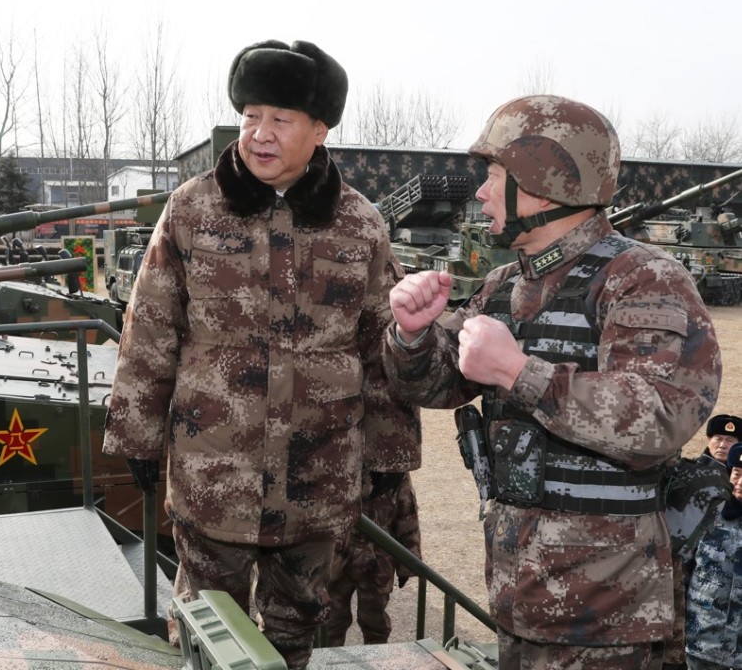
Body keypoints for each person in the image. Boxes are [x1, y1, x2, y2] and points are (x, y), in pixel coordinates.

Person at [101, 39, 420, 668]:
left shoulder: (360, 224)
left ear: (321, 128)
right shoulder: (192, 208)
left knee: (299, 634)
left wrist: (388, 455)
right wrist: (135, 434)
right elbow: (152, 326)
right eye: (250, 116)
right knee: (203, 633)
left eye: (281, 119)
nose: (259, 133)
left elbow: (381, 344)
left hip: (317, 481)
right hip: (214, 476)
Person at [382, 94, 722, 669]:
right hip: (521, 593)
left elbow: (663, 416)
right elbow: (435, 385)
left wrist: (520, 373)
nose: (482, 193)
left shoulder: (642, 280)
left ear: (545, 183)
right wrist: (413, 336)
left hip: (610, 617)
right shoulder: (504, 284)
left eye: (493, 176)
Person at [326, 469, 420, 646]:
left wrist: (408, 562)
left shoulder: (393, 467)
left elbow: (406, 512)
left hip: (377, 561)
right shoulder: (334, 456)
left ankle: (376, 661)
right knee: (331, 621)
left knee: (376, 624)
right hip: (337, 558)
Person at [685, 441, 742, 670]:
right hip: (702, 645)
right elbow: (681, 573)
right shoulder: (707, 516)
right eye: (737, 473)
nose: (740, 483)